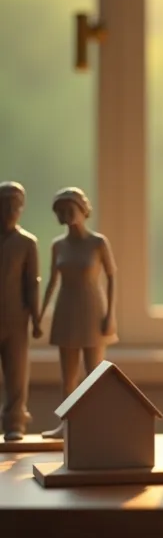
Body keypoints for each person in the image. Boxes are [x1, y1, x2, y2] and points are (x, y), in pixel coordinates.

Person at [41, 187, 117, 439]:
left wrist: (110, 316)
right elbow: (52, 280)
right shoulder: (58, 245)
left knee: (94, 373)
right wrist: (40, 314)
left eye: (69, 209)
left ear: (83, 210)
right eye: (60, 212)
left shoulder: (98, 243)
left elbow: (111, 276)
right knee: (68, 376)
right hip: (66, 310)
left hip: (93, 311)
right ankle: (67, 424)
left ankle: (94, 423)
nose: (65, 215)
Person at [0, 181, 42, 442]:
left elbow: (32, 283)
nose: (9, 210)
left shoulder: (27, 243)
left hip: (17, 319)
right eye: (4, 205)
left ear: (22, 208)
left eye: (14, 205)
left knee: (17, 373)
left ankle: (15, 421)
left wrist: (36, 319)